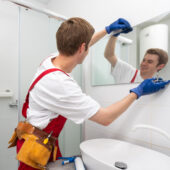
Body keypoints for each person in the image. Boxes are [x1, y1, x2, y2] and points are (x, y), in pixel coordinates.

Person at [16, 17, 170, 170]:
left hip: (41, 140)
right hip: (35, 147)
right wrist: (138, 91)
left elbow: (82, 44)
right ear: (82, 48)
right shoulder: (60, 84)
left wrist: (107, 30)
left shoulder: (52, 59)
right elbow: (105, 118)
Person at [104, 22, 169, 83]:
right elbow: (109, 55)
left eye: (150, 62)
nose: (143, 64)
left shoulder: (157, 85)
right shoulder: (128, 71)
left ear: (160, 66)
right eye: (144, 60)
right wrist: (115, 35)